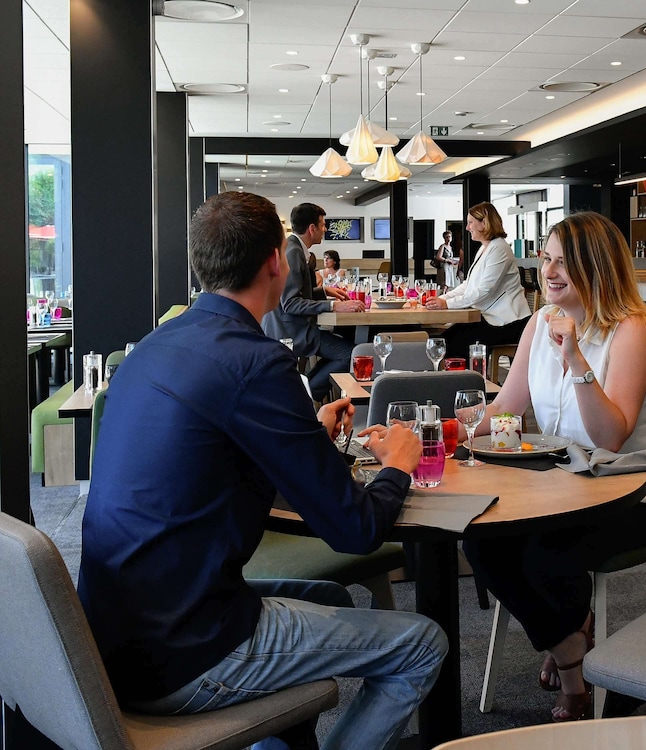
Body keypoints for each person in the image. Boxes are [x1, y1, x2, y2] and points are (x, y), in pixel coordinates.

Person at [76, 191, 447, 750]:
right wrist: (397, 462)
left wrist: (306, 434)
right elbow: (356, 530)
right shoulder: (256, 362)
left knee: (330, 597)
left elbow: (206, 458)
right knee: (422, 643)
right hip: (185, 653)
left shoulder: (153, 348)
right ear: (276, 261)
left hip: (112, 636)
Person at [461, 211, 646, 723]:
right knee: (481, 541)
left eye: (564, 261)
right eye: (546, 259)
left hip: (634, 493)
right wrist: (451, 432)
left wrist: (577, 360)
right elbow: (507, 408)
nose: (549, 271)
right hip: (565, 487)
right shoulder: (539, 323)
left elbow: (610, 436)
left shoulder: (631, 328)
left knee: (543, 554)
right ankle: (572, 639)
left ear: (596, 266)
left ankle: (573, 678)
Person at [262, 203, 364, 402]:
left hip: (291, 327)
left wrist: (323, 291)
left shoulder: (293, 248)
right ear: (312, 228)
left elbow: (294, 294)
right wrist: (333, 305)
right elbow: (290, 303)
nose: (325, 229)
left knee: (341, 351)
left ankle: (304, 388)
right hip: (291, 332)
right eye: (323, 225)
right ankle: (304, 397)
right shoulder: (294, 252)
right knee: (352, 354)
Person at [425, 202, 531, 358]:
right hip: (489, 318)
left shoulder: (499, 249)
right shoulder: (485, 247)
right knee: (446, 339)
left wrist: (446, 304)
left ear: (484, 223)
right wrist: (442, 299)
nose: (467, 227)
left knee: (452, 343)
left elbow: (484, 291)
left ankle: (471, 374)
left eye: (470, 222)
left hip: (507, 322)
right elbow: (468, 285)